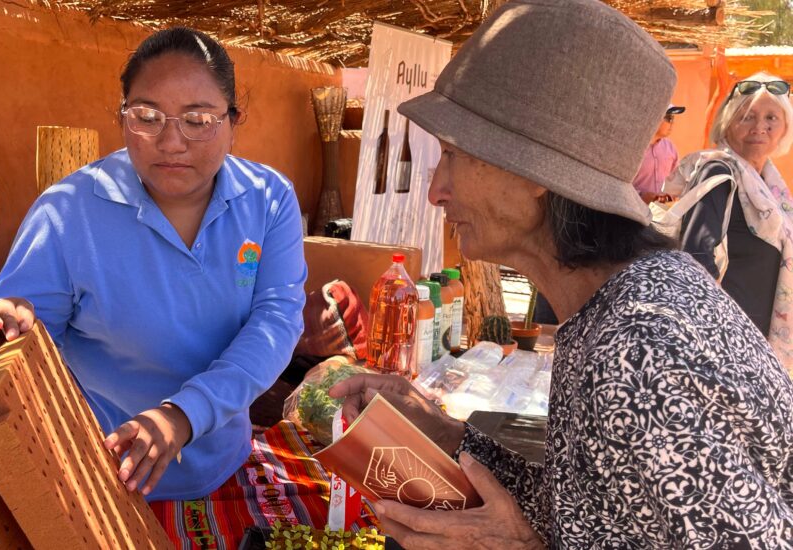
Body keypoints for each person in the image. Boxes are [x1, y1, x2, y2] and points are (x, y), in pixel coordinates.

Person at [329, 0, 793, 547]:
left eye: (453, 154)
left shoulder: (638, 349)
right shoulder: (614, 306)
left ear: (536, 175)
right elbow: (591, 508)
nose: (436, 190)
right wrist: (449, 436)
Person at [0, 27, 307, 501]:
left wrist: (183, 415)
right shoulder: (68, 211)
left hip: (227, 464)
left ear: (232, 120)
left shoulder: (268, 199)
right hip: (108, 477)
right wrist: (7, 322)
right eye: (148, 116)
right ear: (123, 117)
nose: (171, 142)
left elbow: (277, 319)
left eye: (198, 119)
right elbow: (15, 333)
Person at [668, 72, 793, 366]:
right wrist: (724, 334)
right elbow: (695, 258)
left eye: (771, 118)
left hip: (756, 346)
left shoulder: (773, 189)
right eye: (747, 117)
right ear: (727, 123)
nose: (759, 127)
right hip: (723, 347)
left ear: (785, 126)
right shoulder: (718, 173)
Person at [631, 105, 685, 203]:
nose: (672, 123)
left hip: (659, 214)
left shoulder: (671, 149)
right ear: (655, 117)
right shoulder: (633, 147)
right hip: (630, 211)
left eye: (673, 118)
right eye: (668, 118)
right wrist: (641, 196)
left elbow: (677, 182)